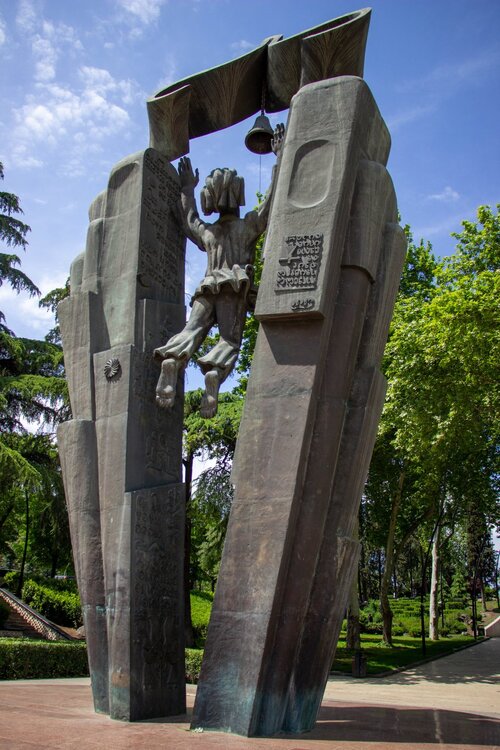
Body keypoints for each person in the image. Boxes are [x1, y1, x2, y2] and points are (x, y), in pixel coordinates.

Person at [155, 124, 284, 417]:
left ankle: (173, 359)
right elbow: (271, 204)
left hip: (206, 288)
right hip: (233, 289)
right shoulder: (248, 225)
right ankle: (214, 372)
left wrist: (187, 188)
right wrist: (280, 158)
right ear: (237, 195)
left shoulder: (209, 232)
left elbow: (189, 219)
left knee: (191, 330)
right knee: (229, 340)